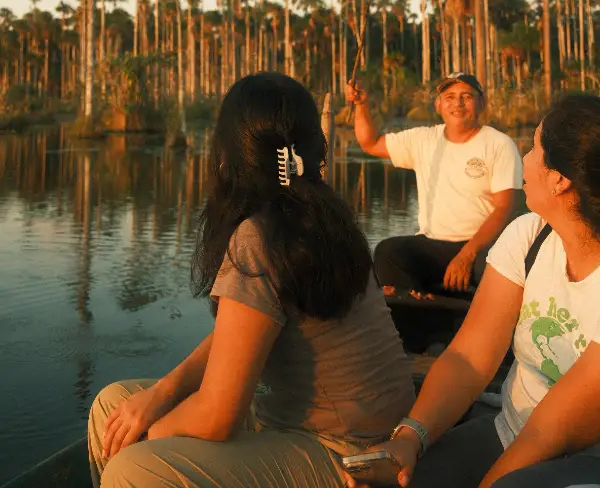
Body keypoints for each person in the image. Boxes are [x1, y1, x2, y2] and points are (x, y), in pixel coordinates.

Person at [89, 72, 415, 488]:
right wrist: (163, 391)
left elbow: (218, 415)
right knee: (113, 406)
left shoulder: (258, 235)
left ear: (232, 155)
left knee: (133, 467)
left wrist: (145, 437)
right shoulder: (320, 214)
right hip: (343, 428)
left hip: (351, 453)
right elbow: (247, 327)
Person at [346, 93, 600, 488]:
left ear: (560, 179)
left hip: (583, 456)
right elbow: (468, 357)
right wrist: (410, 437)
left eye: (533, 148)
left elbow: (551, 432)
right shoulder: (529, 237)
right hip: (509, 431)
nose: (524, 160)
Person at [345, 72, 522, 294]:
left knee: (499, 271)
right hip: (434, 243)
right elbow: (370, 143)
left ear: (481, 103)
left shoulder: (499, 144)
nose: (457, 103)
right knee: (387, 252)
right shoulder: (424, 140)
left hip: (482, 247)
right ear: (438, 105)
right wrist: (361, 105)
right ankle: (415, 307)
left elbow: (505, 207)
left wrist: (467, 255)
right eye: (449, 97)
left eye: (466, 96)